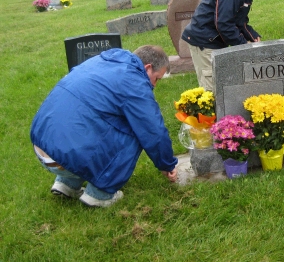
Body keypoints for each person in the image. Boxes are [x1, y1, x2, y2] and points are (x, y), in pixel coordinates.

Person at [30, 45, 178, 208]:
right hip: (66, 158)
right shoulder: (134, 80)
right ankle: (99, 195)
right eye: (157, 78)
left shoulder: (102, 60)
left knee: (92, 120)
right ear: (147, 67)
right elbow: (153, 130)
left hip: (41, 143)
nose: (155, 85)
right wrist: (167, 164)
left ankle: (67, 184)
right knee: (136, 128)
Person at [181, 0, 280, 91]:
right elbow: (224, 24)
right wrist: (244, 45)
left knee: (222, 87)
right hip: (204, 42)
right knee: (212, 91)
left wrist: (252, 37)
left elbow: (240, 22)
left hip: (215, 40)